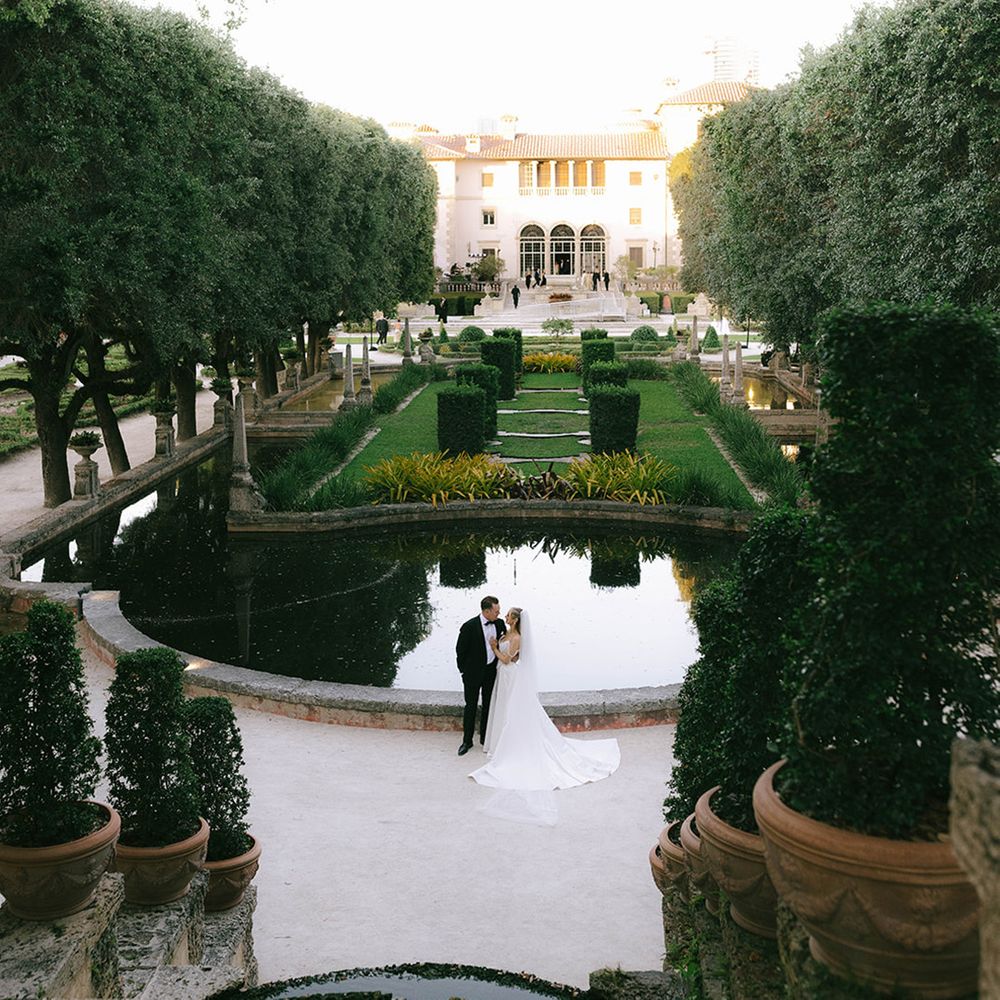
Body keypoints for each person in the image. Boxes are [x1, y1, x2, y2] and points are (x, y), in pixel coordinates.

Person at [469, 608, 620, 790]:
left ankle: (510, 745)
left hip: (509, 674)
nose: (505, 616)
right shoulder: (506, 632)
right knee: (502, 707)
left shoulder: (517, 638)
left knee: (510, 709)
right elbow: (511, 655)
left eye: (508, 615)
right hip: (502, 676)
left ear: (515, 620)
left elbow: (508, 660)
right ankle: (497, 743)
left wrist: (494, 647)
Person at [455, 595, 507, 755]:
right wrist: (464, 671)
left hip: (491, 672)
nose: (499, 614)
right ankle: (467, 741)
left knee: (488, 706)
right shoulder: (469, 626)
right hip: (472, 673)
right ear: (486, 611)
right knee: (470, 706)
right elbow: (460, 651)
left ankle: (485, 737)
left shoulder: (499, 624)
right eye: (496, 611)